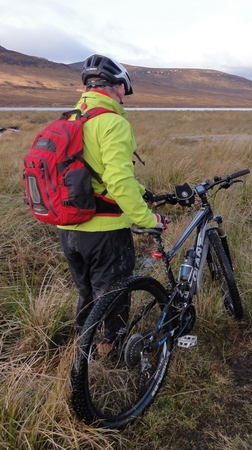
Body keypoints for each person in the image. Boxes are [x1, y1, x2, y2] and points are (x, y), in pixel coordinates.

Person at [58, 54, 168, 355]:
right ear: (117, 87)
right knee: (114, 297)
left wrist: (142, 190)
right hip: (105, 230)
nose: (125, 98)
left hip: (68, 227)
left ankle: (85, 353)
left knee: (88, 294)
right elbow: (118, 182)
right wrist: (148, 219)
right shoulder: (112, 123)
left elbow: (93, 172)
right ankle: (114, 358)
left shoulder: (71, 119)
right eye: (124, 91)